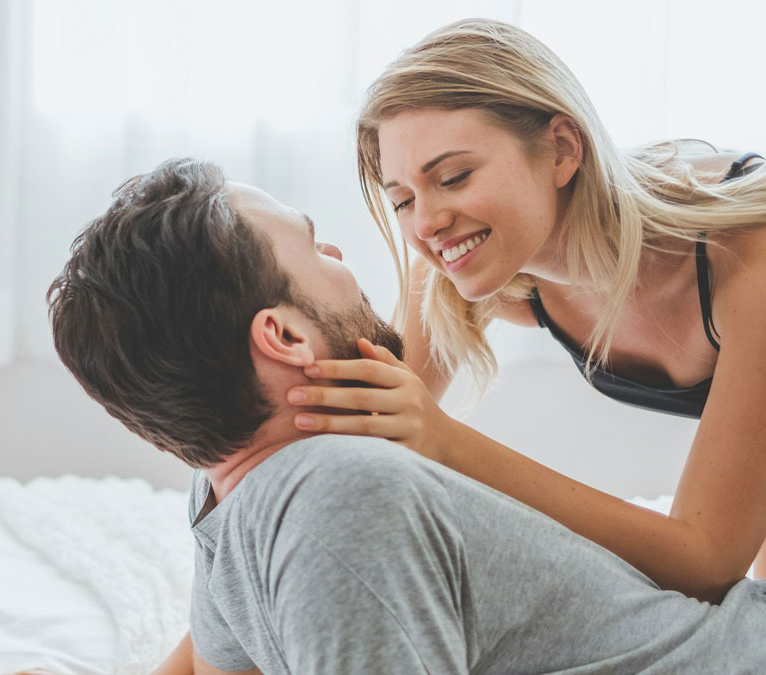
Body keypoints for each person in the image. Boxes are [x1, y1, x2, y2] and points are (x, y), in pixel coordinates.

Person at [46, 158, 766, 674]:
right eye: (314, 245)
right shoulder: (240, 495)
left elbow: (704, 559)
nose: (343, 254)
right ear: (286, 337)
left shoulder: (327, 487)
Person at [288, 18, 766, 607]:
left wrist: (446, 442)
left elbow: (706, 561)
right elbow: (353, 441)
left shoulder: (748, 259)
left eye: (454, 177)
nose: (426, 223)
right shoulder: (461, 266)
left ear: (563, 149)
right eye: (403, 200)